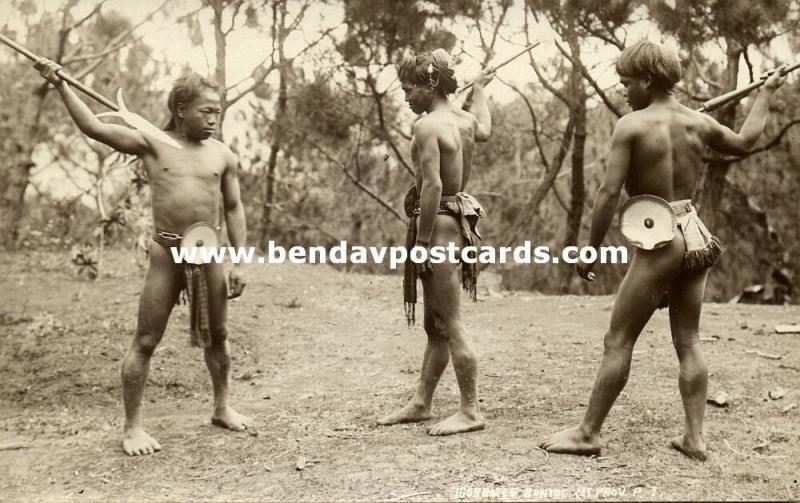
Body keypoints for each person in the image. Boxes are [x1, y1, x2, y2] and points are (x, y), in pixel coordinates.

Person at [539, 40, 786, 460]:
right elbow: (745, 141)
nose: (622, 90)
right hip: (693, 233)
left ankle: (587, 433)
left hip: (660, 236)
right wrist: (765, 94)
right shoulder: (698, 123)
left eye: (626, 82)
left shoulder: (631, 126)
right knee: (688, 339)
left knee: (617, 340)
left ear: (648, 80)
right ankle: (695, 438)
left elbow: (606, 193)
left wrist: (591, 249)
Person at [36, 60, 253, 456]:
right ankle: (132, 428)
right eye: (206, 111)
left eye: (218, 112)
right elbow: (95, 128)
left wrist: (239, 261)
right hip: (166, 254)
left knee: (217, 337)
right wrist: (60, 85)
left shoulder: (223, 155)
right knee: (146, 340)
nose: (213, 119)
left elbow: (235, 208)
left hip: (209, 254)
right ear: (180, 109)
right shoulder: (152, 144)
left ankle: (222, 407)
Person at [377, 49, 492, 435]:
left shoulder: (427, 127)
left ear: (430, 84)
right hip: (459, 222)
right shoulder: (465, 119)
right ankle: (422, 402)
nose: (405, 97)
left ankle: (471, 410)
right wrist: (481, 92)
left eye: (409, 89)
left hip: (439, 224)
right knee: (435, 324)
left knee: (451, 322)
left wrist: (422, 243)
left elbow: (433, 186)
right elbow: (486, 130)